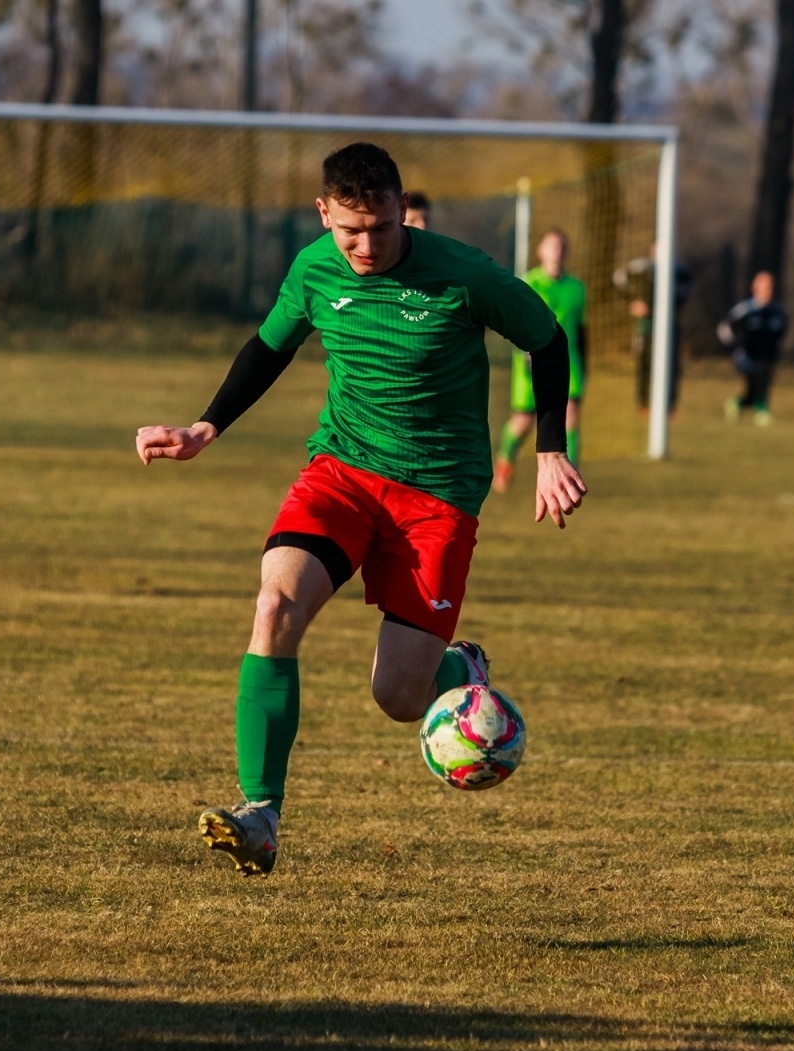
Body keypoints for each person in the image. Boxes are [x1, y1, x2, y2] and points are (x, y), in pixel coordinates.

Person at [135, 143, 585, 877]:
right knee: (275, 604)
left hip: (437, 497)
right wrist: (204, 425)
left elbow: (547, 338)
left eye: (379, 227)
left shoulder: (461, 273)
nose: (366, 246)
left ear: (401, 210)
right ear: (324, 214)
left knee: (398, 698)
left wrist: (550, 450)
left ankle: (456, 665)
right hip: (342, 469)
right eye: (350, 231)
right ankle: (262, 814)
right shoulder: (315, 268)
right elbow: (268, 347)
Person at [494, 227, 586, 490]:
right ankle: (505, 462)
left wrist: (585, 368)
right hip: (528, 367)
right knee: (523, 423)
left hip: (570, 364)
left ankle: (570, 478)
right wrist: (525, 356)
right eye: (551, 245)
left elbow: (581, 331)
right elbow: (515, 325)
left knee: (570, 416)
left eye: (561, 246)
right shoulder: (528, 283)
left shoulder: (577, 288)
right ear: (541, 251)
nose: (556, 251)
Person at [616, 253, 692, 419]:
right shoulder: (642, 267)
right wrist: (632, 301)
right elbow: (619, 278)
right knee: (645, 362)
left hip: (669, 326)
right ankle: (644, 403)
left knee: (672, 364)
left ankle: (670, 405)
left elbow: (689, 282)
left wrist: (676, 302)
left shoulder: (676, 269)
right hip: (647, 325)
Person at [717, 270, 787, 427]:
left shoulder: (777, 311)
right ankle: (761, 411)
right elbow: (724, 328)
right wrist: (734, 349)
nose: (768, 291)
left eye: (770, 287)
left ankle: (737, 404)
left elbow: (782, 330)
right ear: (755, 288)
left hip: (767, 355)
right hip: (746, 355)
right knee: (758, 381)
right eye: (764, 287)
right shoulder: (745, 309)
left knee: (756, 389)